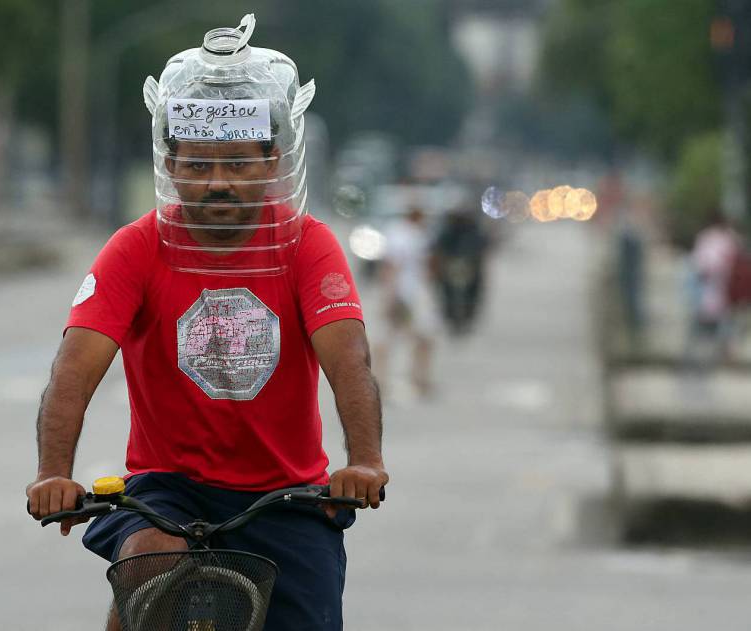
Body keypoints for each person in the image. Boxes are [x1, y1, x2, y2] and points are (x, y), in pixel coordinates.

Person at [25, 15, 388, 631]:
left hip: (287, 496)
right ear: (170, 161)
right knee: (147, 563)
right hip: (167, 491)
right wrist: (54, 473)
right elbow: (75, 367)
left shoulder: (307, 245)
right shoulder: (136, 247)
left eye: (238, 166)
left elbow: (347, 358)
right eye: (196, 167)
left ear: (272, 159)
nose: (217, 183)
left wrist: (366, 461)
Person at [375, 207, 438, 396]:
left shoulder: (399, 232)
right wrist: (390, 296)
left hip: (408, 293)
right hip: (408, 294)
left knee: (395, 336)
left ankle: (385, 381)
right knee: (418, 337)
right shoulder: (407, 235)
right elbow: (392, 266)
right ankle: (416, 379)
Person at [689, 210, 742, 363]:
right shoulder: (716, 238)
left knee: (723, 320)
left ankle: (721, 351)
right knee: (711, 319)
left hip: (723, 286)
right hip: (712, 286)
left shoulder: (725, 238)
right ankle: (713, 351)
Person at [432, 207, 488, 335]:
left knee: (473, 290)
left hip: (468, 266)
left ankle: (466, 315)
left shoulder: (472, 231)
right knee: (447, 291)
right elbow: (439, 249)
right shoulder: (448, 231)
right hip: (452, 266)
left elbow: (481, 248)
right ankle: (452, 317)